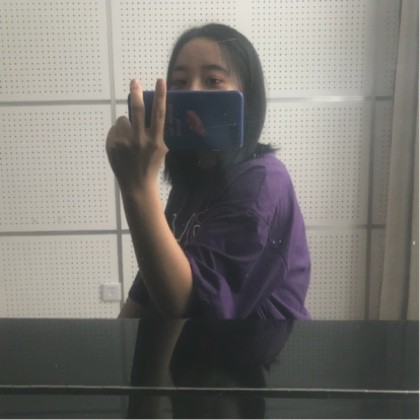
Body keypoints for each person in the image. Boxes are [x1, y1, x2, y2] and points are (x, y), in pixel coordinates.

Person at [106, 23, 310, 319]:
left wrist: (137, 186)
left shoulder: (261, 182)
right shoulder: (196, 175)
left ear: (247, 97)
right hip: (202, 346)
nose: (192, 92)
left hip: (259, 346)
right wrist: (119, 342)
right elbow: (148, 287)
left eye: (213, 80)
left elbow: (188, 305)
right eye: (179, 82)